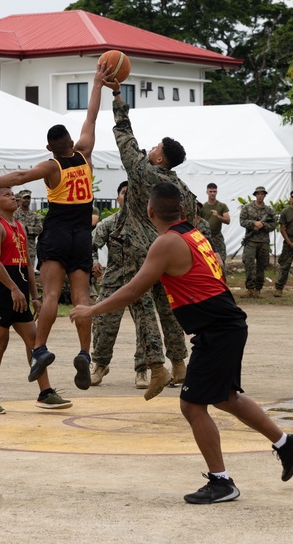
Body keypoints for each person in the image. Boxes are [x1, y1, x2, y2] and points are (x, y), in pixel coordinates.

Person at [69, 183, 293, 504]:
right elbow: (216, 269)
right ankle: (285, 443)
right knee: (225, 398)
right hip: (225, 325)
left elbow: (134, 289)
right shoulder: (194, 234)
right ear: (181, 211)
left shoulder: (166, 243)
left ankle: (222, 481)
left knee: (192, 405)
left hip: (219, 329)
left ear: (150, 211)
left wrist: (92, 309)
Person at [0, 60, 103, 389]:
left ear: (49, 148)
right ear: (72, 141)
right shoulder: (85, 155)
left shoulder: (50, 166)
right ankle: (85, 353)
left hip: (57, 233)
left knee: (50, 296)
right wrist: (98, 82)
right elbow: (91, 116)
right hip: (81, 236)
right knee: (81, 298)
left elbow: (18, 176)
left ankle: (40, 349)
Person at [109, 82, 195, 396]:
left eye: (156, 147)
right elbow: (193, 217)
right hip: (171, 251)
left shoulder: (144, 172)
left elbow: (125, 139)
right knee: (168, 308)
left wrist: (118, 100)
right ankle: (180, 365)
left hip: (139, 252)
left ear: (160, 159)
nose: (152, 148)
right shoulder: (180, 185)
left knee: (142, 308)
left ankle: (156, 368)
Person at [0, 187, 71, 414]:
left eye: (13, 194)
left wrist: (35, 297)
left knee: (35, 342)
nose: (13, 197)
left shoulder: (19, 226)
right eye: (7, 194)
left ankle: (45, 393)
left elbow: (27, 264)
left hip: (17, 292)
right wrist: (12, 289)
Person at [91, 181, 176, 395]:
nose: (127, 197)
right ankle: (100, 365)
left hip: (141, 281)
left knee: (146, 327)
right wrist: (93, 261)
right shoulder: (109, 223)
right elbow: (90, 245)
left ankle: (142, 370)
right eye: (123, 193)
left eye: (132, 193)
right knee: (104, 324)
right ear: (118, 198)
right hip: (114, 280)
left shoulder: (150, 226)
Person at [239, 186, 275, 298]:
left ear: (264, 195)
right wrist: (254, 224)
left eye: (262, 194)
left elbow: (273, 224)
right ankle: (250, 289)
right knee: (249, 264)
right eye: (258, 194)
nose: (260, 196)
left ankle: (258, 289)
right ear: (255, 195)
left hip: (263, 242)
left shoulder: (269, 210)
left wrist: (263, 225)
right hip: (250, 241)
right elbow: (242, 221)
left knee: (261, 265)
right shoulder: (247, 208)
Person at [13, 189, 43, 268]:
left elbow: (40, 229)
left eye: (28, 198)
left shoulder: (35, 215)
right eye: (24, 198)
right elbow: (11, 228)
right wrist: (31, 230)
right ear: (20, 199)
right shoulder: (14, 214)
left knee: (29, 272)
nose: (27, 200)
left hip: (30, 248)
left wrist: (26, 229)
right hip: (16, 247)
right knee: (16, 271)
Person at [199, 183, 230, 258]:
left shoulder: (222, 206)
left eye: (214, 191)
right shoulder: (202, 207)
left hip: (217, 235)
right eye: (210, 191)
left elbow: (228, 221)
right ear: (207, 192)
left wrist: (218, 216)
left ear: (217, 192)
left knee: (221, 257)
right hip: (206, 236)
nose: (212, 193)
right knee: (206, 258)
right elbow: (198, 222)